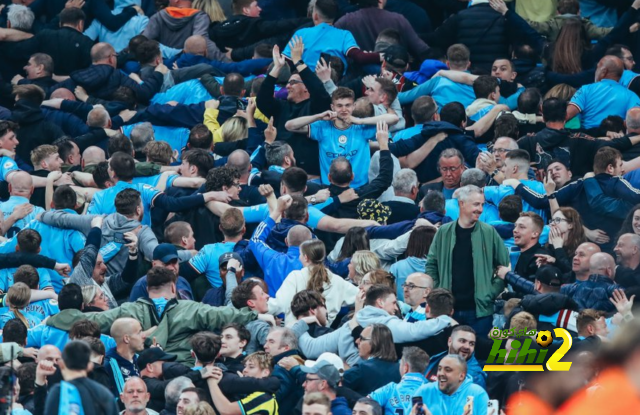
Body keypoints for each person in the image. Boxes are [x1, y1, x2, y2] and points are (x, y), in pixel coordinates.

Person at [44, 266, 267, 365]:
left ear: (148, 289)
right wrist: (254, 314)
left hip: (141, 371)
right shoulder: (192, 308)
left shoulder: (127, 310)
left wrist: (54, 318)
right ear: (173, 288)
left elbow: (87, 321)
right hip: (183, 370)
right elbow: (225, 314)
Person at [426, 185, 509, 336]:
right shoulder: (443, 232)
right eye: (476, 204)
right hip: (448, 310)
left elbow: (504, 266)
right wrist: (439, 290)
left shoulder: (489, 232)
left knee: (479, 355)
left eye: (482, 204)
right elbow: (431, 265)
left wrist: (490, 292)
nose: (481, 209)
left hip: (480, 312)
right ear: (461, 203)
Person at [270, 239, 358, 327]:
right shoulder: (337, 281)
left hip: (295, 334)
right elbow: (361, 296)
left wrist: (258, 308)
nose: (299, 257)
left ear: (306, 257)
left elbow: (279, 304)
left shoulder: (295, 277)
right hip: (323, 336)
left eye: (300, 254)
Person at [43, 340, 120, 415]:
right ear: (90, 366)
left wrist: (39, 382)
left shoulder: (59, 392)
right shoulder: (105, 394)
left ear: (61, 364)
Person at [567, 56, 640, 130]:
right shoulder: (632, 96)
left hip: (588, 138)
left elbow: (567, 114)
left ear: (603, 72)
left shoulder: (585, 90)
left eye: (597, 68)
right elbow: (636, 121)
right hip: (617, 139)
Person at [205, 352, 279, 415]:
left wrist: (212, 382)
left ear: (265, 372)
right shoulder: (256, 393)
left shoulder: (262, 396)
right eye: (245, 366)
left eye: (251, 367)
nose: (245, 370)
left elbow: (226, 410)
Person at [413, 354, 488, 415]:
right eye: (439, 369)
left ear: (461, 376)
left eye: (448, 370)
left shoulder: (478, 394)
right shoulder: (424, 392)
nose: (441, 373)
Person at [343, 323, 400, 395]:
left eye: (362, 339)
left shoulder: (362, 369)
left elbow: (335, 385)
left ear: (374, 342)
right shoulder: (401, 370)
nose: (357, 341)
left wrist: (340, 369)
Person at [369, 346, 429, 415]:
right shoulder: (432, 391)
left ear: (405, 368)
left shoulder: (390, 389)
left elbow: (364, 405)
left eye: (401, 363)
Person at [425, 325, 487, 390]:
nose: (467, 347)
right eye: (462, 341)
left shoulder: (474, 376)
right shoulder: (434, 359)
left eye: (471, 344)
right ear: (450, 341)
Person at [104, 317, 146, 397]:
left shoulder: (140, 359)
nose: (144, 336)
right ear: (127, 339)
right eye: (139, 332)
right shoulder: (108, 365)